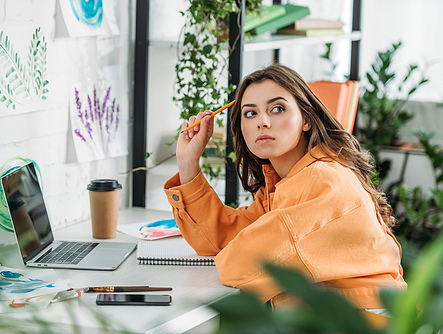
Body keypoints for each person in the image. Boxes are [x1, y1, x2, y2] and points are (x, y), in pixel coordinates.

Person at [163, 63, 406, 312]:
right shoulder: (286, 180)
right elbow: (219, 239)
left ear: (307, 120)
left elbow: (241, 265)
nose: (263, 122)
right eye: (250, 113)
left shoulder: (322, 181)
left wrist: (241, 248)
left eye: (277, 109)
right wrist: (188, 161)